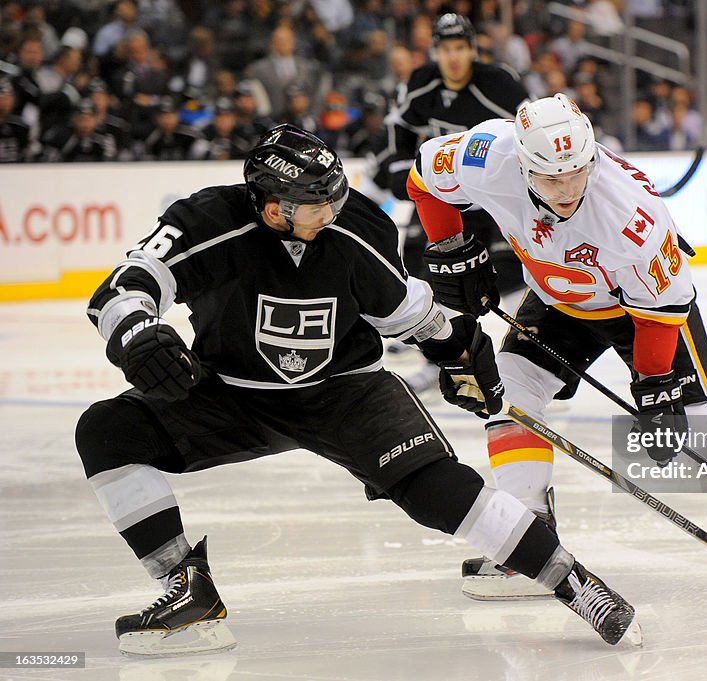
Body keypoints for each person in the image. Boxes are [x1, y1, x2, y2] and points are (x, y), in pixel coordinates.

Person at [74, 124, 641, 656]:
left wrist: (456, 346)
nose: (334, 211)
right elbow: (128, 284)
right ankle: (188, 589)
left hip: (347, 392)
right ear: (274, 207)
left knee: (436, 490)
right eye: (319, 204)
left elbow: (405, 311)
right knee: (107, 431)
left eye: (337, 195)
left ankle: (574, 582)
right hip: (231, 394)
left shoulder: (355, 226)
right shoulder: (208, 222)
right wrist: (137, 333)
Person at [406, 94, 707, 600]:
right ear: (522, 163)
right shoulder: (486, 154)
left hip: (642, 315)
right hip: (556, 299)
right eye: (550, 178)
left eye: (576, 173)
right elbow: (423, 181)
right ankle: (531, 547)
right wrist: (450, 245)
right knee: (509, 395)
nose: (567, 189)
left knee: (702, 426)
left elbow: (662, 309)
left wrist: (654, 385)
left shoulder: (631, 213)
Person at [376, 13, 530, 393]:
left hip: (491, 201)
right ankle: (442, 354)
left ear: (473, 50)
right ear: (436, 52)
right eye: (446, 50)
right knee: (416, 266)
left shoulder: (500, 83)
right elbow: (400, 124)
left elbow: (531, 126)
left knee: (517, 269)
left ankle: (526, 353)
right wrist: (398, 165)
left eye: (461, 48)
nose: (454, 58)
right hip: (442, 199)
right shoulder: (420, 83)